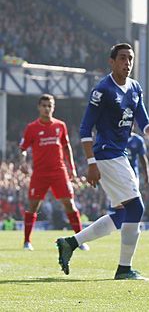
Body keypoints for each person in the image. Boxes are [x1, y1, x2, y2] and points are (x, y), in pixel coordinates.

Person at [55, 43, 149, 280]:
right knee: (136, 208)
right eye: (122, 58)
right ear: (112, 61)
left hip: (119, 155)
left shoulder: (135, 88)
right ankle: (124, 269)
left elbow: (144, 123)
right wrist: (91, 163)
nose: (127, 63)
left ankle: (70, 242)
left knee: (122, 214)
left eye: (130, 58)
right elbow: (85, 129)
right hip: (107, 154)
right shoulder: (103, 90)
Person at [18, 94, 88, 251]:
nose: (46, 108)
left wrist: (72, 168)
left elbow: (66, 147)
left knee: (69, 204)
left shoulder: (60, 126)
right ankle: (27, 241)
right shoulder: (32, 128)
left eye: (49, 105)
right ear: (39, 107)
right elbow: (23, 149)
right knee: (33, 206)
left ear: (53, 107)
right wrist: (23, 162)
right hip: (40, 173)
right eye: (44, 105)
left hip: (59, 171)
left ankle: (80, 240)